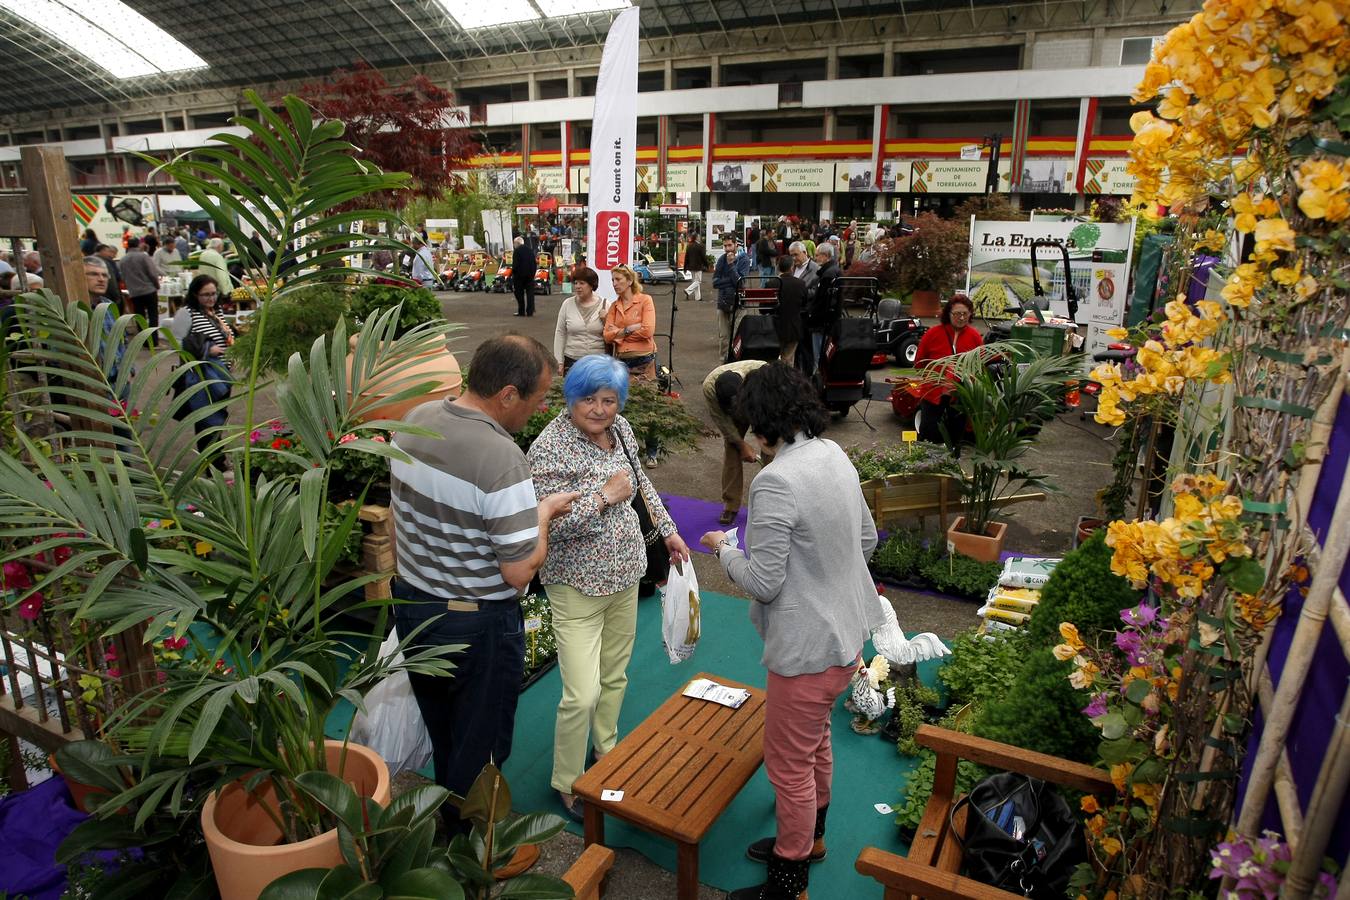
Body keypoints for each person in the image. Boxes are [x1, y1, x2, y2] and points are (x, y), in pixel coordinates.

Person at [699, 364, 881, 900]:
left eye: (749, 424)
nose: (748, 435)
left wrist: (724, 549)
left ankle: (788, 880)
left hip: (807, 651)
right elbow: (866, 539)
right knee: (816, 743)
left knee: (788, 766)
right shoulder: (834, 453)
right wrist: (824, 578)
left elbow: (763, 582)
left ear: (763, 421)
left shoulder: (775, 480)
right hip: (846, 638)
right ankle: (814, 840)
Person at [390, 335, 579, 846]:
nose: (541, 409)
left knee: (445, 727)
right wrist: (541, 514)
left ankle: (449, 824)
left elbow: (401, 518)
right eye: (540, 398)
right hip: (476, 621)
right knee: (484, 744)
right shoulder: (501, 457)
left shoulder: (418, 417)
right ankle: (475, 847)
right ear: (509, 395)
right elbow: (519, 571)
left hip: (412, 603)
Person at [526, 354, 689, 823]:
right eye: (589, 399)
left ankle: (607, 752)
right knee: (580, 693)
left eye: (609, 400)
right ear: (570, 397)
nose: (599, 409)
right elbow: (544, 528)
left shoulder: (622, 432)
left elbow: (641, 486)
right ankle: (566, 782)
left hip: (625, 576)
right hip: (575, 583)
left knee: (615, 676)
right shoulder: (549, 448)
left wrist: (668, 529)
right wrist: (602, 498)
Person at [602, 264, 661, 466]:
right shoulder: (614, 306)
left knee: (649, 407)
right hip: (622, 361)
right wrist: (628, 329)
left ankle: (652, 452)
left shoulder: (645, 300)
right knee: (623, 407)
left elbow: (648, 330)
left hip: (645, 360)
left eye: (618, 280)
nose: (615, 284)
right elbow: (607, 336)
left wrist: (619, 332)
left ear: (629, 281)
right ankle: (626, 453)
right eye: (612, 280)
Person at [913, 292, 984, 454]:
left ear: (970, 314)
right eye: (957, 313)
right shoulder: (933, 334)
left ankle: (952, 463)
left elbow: (980, 365)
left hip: (960, 393)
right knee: (928, 431)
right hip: (933, 391)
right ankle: (925, 465)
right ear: (948, 314)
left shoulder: (974, 337)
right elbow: (919, 363)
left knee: (956, 434)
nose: (961, 317)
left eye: (965, 314)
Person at [703, 359, 770, 525]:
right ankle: (731, 505)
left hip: (760, 404)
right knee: (733, 448)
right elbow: (724, 423)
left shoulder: (762, 376)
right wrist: (741, 445)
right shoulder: (709, 388)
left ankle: (770, 502)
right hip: (735, 408)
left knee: (770, 447)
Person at [180, 274, 234, 465]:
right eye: (205, 295)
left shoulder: (215, 312)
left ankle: (217, 459)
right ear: (195, 295)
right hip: (203, 377)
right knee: (207, 421)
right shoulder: (187, 313)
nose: (210, 298)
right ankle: (214, 463)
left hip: (222, 375)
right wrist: (206, 350)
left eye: (213, 294)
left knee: (218, 419)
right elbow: (177, 343)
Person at [553, 266, 608, 372]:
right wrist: (559, 361)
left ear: (592, 285)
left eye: (582, 283)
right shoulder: (567, 304)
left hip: (598, 362)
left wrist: (605, 320)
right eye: (576, 283)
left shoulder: (605, 305)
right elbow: (560, 333)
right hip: (572, 360)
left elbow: (611, 333)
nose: (578, 287)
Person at [802, 242, 840, 374]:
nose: (815, 257)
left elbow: (822, 300)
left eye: (817, 255)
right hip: (828, 321)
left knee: (819, 354)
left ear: (825, 256)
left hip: (821, 322)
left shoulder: (827, 275)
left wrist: (812, 315)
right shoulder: (833, 271)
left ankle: (819, 378)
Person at [713, 236, 751, 362]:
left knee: (737, 336)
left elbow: (740, 283)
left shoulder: (743, 259)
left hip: (739, 303)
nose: (727, 249)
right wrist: (731, 281)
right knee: (724, 337)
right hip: (723, 302)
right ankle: (722, 365)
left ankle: (735, 364)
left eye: (729, 245)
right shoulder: (722, 259)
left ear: (736, 244)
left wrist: (731, 266)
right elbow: (715, 282)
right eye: (725, 246)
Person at [120, 237, 161, 346]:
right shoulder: (143, 256)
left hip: (134, 292)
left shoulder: (123, 260)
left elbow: (123, 276)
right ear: (138, 244)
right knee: (153, 316)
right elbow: (152, 273)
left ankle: (144, 341)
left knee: (139, 316)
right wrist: (157, 285)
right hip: (148, 290)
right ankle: (154, 341)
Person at [773, 255, 806, 367]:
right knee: (789, 360)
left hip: (775, 327)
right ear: (792, 267)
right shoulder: (800, 284)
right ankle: (788, 382)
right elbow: (804, 304)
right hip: (794, 327)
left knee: (773, 359)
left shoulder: (772, 283)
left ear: (778, 267)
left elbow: (763, 309)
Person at [511, 235, 537, 317]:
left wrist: (514, 273)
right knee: (530, 294)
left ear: (517, 243)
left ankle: (521, 311)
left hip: (519, 276)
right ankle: (530, 311)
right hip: (530, 275)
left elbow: (515, 264)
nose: (514, 245)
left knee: (519, 293)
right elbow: (534, 263)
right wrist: (533, 273)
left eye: (514, 243)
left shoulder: (517, 251)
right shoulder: (530, 250)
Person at [683, 233, 707, 302]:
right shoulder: (700, 246)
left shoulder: (689, 246)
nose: (700, 238)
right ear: (696, 238)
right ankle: (688, 290)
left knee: (695, 281)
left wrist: (685, 267)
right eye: (699, 237)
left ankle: (698, 297)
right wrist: (706, 264)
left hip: (691, 266)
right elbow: (703, 257)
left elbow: (686, 257)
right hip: (698, 266)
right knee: (698, 281)